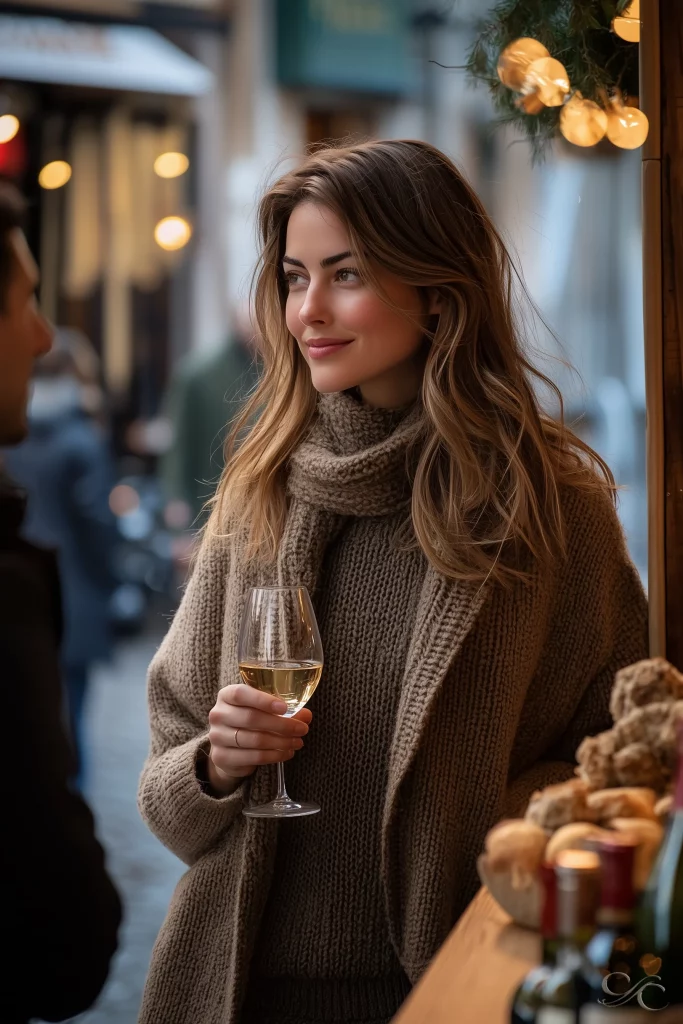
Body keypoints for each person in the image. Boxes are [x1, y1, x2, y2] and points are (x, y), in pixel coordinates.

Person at [137, 141, 648, 1024]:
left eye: (347, 274)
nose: (308, 310)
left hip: (462, 988)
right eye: (294, 278)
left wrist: (484, 820)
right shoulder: (259, 493)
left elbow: (623, 763)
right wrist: (215, 764)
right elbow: (166, 801)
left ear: (437, 288)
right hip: (238, 993)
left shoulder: (551, 509)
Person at [0, 182, 122, 1022]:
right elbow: (64, 942)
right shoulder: (77, 441)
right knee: (63, 739)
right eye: (25, 303)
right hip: (71, 609)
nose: (43, 335)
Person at [3, 327, 118, 788]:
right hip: (75, 592)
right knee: (74, 718)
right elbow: (98, 525)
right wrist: (110, 581)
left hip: (19, 593)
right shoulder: (80, 440)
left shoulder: (13, 436)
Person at [160, 305, 261, 529]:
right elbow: (179, 443)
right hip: (210, 498)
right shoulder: (198, 374)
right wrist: (176, 502)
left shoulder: (279, 367)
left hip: (261, 506)